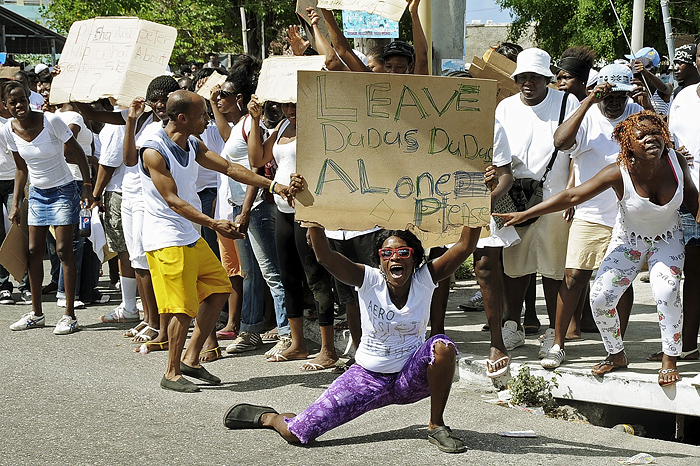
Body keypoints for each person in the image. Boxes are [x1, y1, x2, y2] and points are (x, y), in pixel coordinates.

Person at [223, 224, 481, 453]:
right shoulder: (368, 279)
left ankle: (436, 425)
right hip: (367, 378)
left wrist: (480, 198)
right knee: (297, 433)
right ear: (380, 262)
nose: (395, 258)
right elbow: (325, 256)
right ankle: (269, 417)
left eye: (404, 252)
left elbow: (465, 245)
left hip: (409, 378)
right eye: (387, 254)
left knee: (442, 347)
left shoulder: (425, 279)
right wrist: (313, 221)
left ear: (414, 259)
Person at [496, 110, 697, 387]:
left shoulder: (676, 162)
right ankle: (616, 354)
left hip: (667, 238)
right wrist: (526, 214)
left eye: (656, 133)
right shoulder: (618, 171)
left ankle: (669, 359)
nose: (651, 139)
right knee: (601, 297)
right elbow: (573, 195)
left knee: (667, 289)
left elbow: (695, 200)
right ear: (629, 145)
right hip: (630, 239)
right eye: (642, 136)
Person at [138, 90, 293, 392]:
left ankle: (191, 359)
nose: (207, 120)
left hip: (188, 235)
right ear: (181, 118)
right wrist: (214, 223)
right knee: (182, 309)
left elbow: (229, 168)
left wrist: (274, 185)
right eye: (201, 115)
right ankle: (171, 372)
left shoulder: (192, 142)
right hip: (165, 238)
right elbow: (173, 201)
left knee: (220, 289)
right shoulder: (154, 151)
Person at [539, 64, 645, 369]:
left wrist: (644, 102)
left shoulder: (636, 110)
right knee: (573, 277)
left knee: (620, 283)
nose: (614, 102)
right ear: (597, 92)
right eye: (608, 95)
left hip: (628, 216)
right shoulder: (586, 115)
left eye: (620, 95)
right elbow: (560, 143)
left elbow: (661, 141)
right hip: (591, 212)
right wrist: (588, 101)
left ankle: (616, 348)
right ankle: (557, 343)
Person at [495, 48, 579, 351]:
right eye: (522, 77)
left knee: (555, 270)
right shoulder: (504, 107)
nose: (528, 82)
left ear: (547, 78)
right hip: (515, 198)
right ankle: (512, 326)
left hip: (557, 199)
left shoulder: (568, 103)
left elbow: (577, 153)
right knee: (514, 267)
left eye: (535, 77)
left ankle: (553, 337)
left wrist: (572, 197)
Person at [247, 94, 338, 371]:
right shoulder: (282, 127)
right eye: (285, 105)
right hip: (282, 211)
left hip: (308, 210)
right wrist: (253, 119)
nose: (290, 110)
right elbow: (256, 157)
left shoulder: (319, 126)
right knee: (288, 277)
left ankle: (328, 349)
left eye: (296, 104)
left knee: (316, 277)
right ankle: (297, 343)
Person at [3, 81, 93, 334]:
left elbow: (77, 152)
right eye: (13, 102)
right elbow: (21, 169)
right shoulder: (8, 131)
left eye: (22, 99)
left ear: (29, 98)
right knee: (33, 250)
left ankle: (69, 315)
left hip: (64, 190)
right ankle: (36, 313)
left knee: (64, 249)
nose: (19, 106)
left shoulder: (51, 121)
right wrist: (15, 203)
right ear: (5, 105)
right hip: (37, 195)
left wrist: (86, 186)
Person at [666, 45, 700, 385]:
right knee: (690, 273)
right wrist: (675, 151)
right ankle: (687, 345)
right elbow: (671, 141)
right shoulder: (685, 97)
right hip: (689, 198)